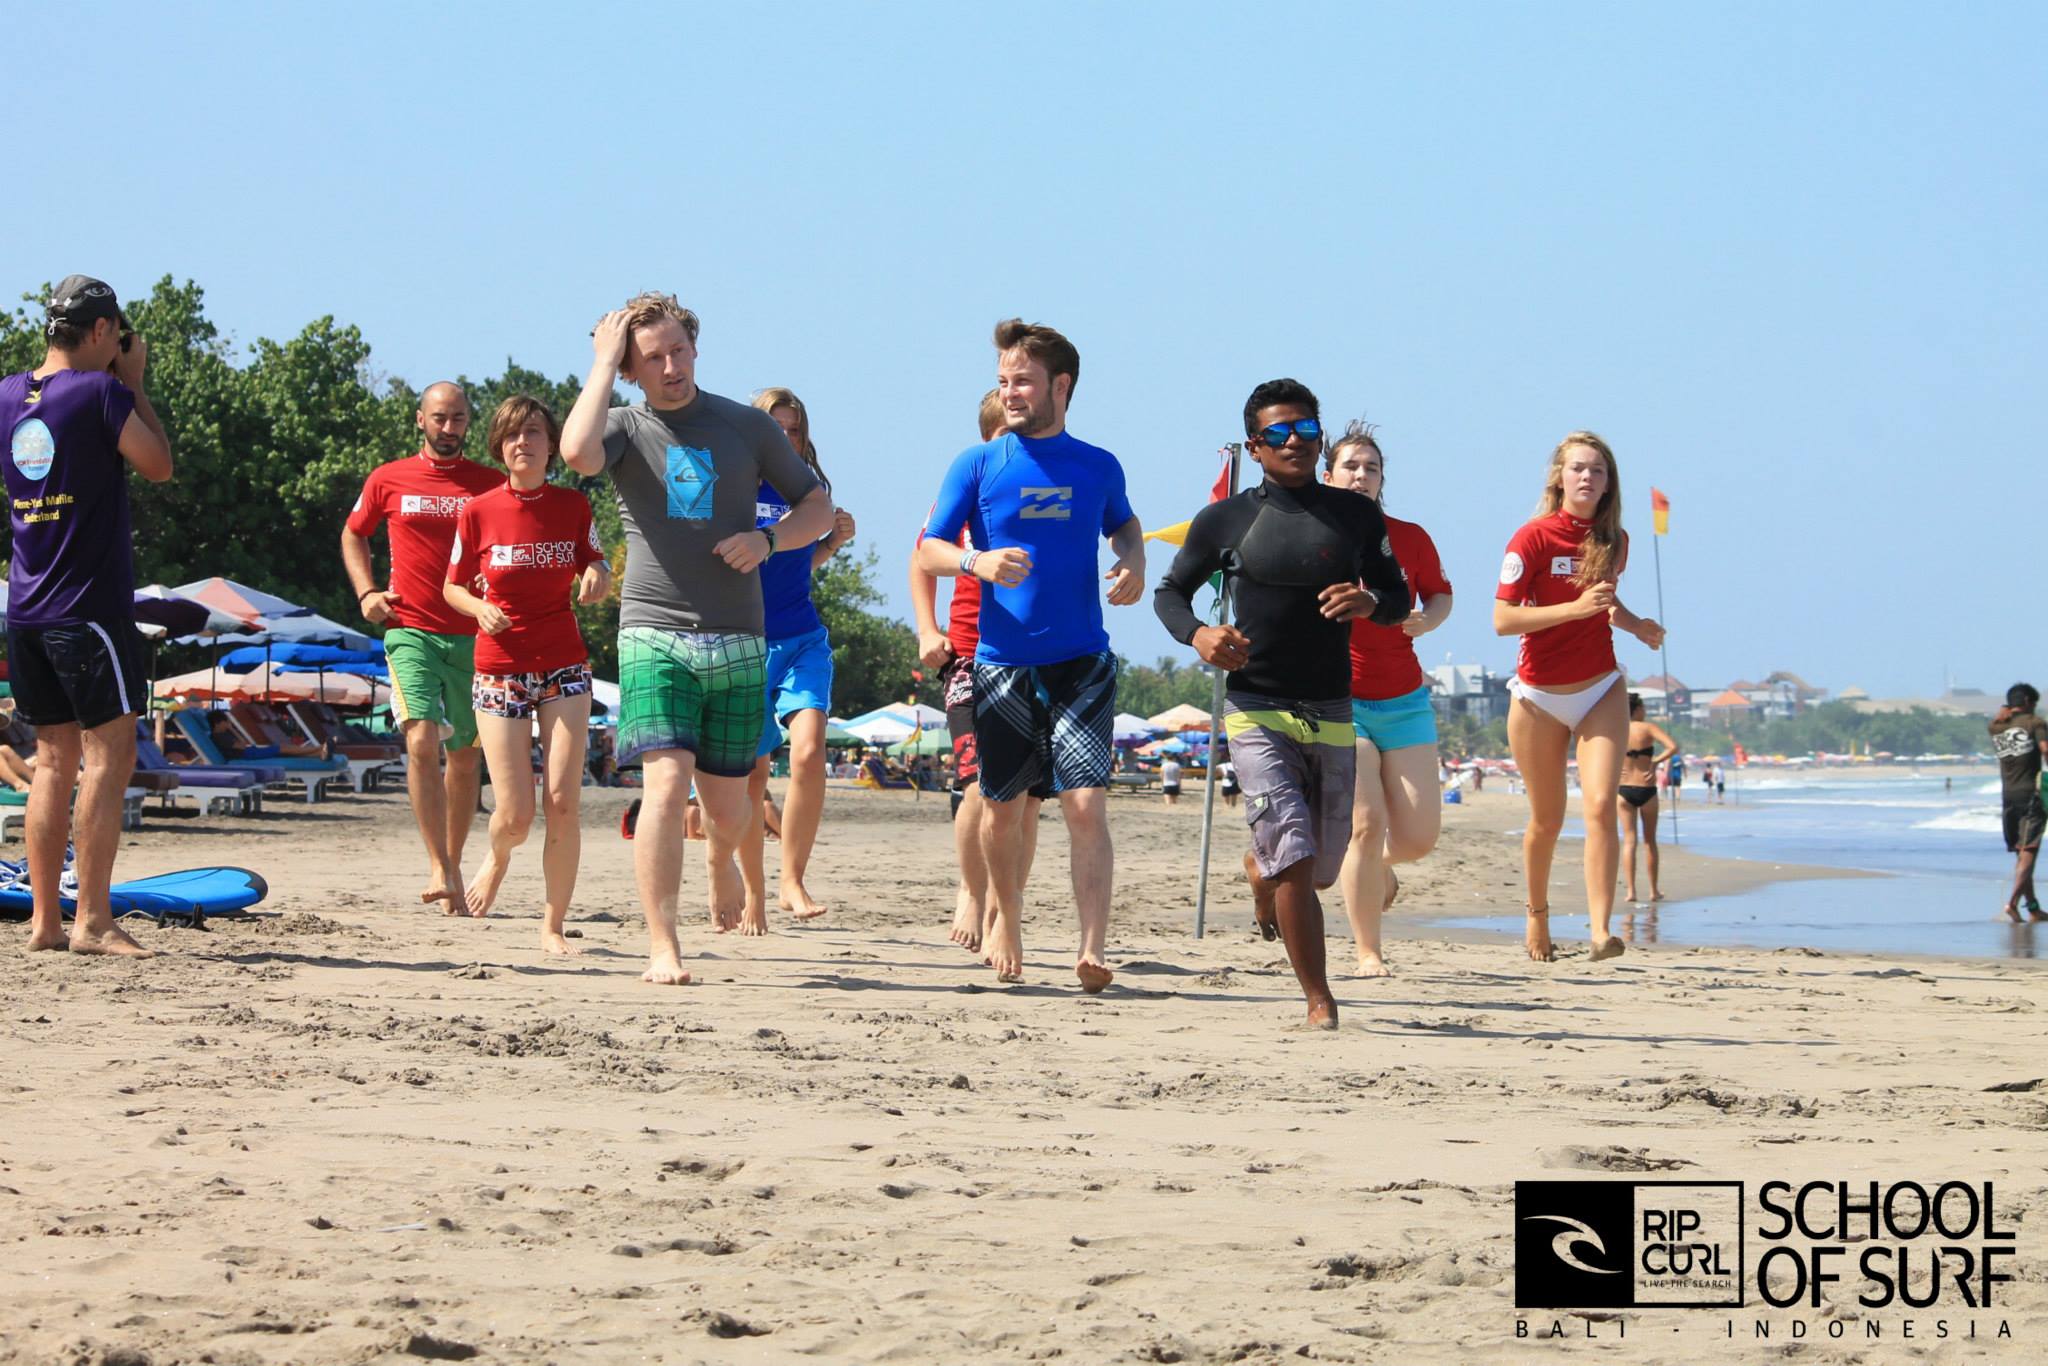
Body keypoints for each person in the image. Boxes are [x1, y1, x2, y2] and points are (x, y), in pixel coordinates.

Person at [561, 293, 833, 986]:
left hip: (739, 636)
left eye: (679, 350)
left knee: (729, 809)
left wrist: (767, 540)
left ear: (695, 348)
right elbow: (577, 453)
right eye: (652, 357)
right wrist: (602, 363)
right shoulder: (623, 425)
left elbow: (818, 505)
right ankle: (664, 946)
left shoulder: (747, 425)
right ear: (631, 368)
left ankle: (720, 859)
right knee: (664, 783)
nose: (671, 366)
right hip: (652, 631)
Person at [1155, 379, 1410, 1028]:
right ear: (1255, 446)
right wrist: (1200, 635)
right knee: (1295, 857)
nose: (1293, 440)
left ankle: (1259, 869)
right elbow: (1171, 593)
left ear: (1320, 438)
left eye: (1305, 429)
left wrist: (1370, 602)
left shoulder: (1355, 516)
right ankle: (1319, 998)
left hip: (1331, 706)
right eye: (1277, 432)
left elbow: (1398, 598)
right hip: (1255, 706)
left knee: (1319, 870)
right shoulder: (1225, 520)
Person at [914, 319, 1145, 989]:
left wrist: (1133, 559)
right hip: (1000, 662)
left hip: (1082, 660)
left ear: (1060, 385)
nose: (1009, 393)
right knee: (1003, 807)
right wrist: (976, 562)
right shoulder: (978, 462)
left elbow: (1124, 522)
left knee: (1084, 805)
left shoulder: (1097, 465)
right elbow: (929, 549)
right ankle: (1006, 918)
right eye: (1003, 382)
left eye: (1022, 381)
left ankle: (1092, 947)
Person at [3, 276, 172, 956]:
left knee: (51, 760)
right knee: (110, 755)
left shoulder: (7, 395)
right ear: (102, 331)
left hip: (25, 606)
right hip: (88, 608)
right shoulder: (101, 393)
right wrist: (134, 384)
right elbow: (158, 465)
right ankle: (93, 921)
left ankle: (45, 922)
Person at [441, 396, 611, 954]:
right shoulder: (478, 511)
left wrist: (598, 572)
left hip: (564, 665)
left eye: (534, 432)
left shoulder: (572, 505)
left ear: (550, 444)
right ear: (500, 445)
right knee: (515, 816)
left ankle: (552, 925)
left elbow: (595, 559)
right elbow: (452, 586)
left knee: (562, 801)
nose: (523, 442)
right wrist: (478, 609)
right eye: (513, 434)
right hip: (500, 668)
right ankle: (498, 856)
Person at [1494, 431, 1664, 963]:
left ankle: (1600, 931)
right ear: (1559, 478)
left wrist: (1637, 625)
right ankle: (1536, 914)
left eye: (1597, 470)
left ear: (1609, 483)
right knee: (1547, 820)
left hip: (1600, 688)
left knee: (1600, 806)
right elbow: (1503, 620)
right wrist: (1572, 610)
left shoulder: (1616, 541)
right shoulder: (1533, 538)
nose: (1587, 477)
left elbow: (1605, 604)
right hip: (1538, 696)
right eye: (1578, 468)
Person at [344, 380, 501, 912]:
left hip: (474, 634)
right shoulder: (388, 478)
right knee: (420, 740)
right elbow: (353, 532)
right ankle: (437, 864)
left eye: (458, 418)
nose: (449, 427)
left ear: (468, 422)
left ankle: (453, 866)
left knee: (466, 758)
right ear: (420, 419)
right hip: (409, 627)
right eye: (439, 418)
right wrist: (366, 592)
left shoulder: (491, 484)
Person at [711, 387, 856, 934]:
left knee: (810, 751)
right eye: (776, 427)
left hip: (802, 638)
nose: (787, 438)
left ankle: (791, 878)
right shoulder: (731, 485)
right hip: (742, 641)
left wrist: (832, 544)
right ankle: (752, 890)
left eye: (795, 430)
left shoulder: (809, 491)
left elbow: (797, 565)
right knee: (752, 776)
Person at [911, 389, 1044, 956]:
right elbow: (923, 558)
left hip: (1041, 660)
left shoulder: (1047, 490)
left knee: (1027, 801)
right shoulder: (965, 490)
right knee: (978, 788)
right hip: (970, 656)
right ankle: (971, 890)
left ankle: (1005, 908)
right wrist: (927, 629)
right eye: (1004, 440)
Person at [1322, 420, 1452, 978]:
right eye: (1350, 466)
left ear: (1382, 479)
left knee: (1418, 839)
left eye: (1371, 468)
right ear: (1329, 474)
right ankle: (1367, 952)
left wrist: (1428, 620)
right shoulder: (1313, 534)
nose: (1361, 475)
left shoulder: (1410, 537)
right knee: (1366, 823)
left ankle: (1372, 867)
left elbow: (1440, 594)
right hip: (1339, 701)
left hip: (1404, 699)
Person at [1988, 683, 2047, 922]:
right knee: (2029, 850)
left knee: (2021, 853)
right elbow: (2045, 749)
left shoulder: (1995, 726)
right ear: (2027, 702)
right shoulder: (2035, 723)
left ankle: (2032, 907)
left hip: (2008, 795)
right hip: (2032, 793)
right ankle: (2012, 903)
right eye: (2034, 703)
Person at [1618, 692, 1677, 905]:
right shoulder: (1648, 728)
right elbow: (1673, 746)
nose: (1645, 711)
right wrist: (1654, 762)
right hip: (1646, 788)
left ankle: (1631, 891)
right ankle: (1653, 890)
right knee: (1649, 841)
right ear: (1637, 709)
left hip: (1624, 789)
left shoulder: (1618, 728)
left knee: (1629, 840)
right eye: (1643, 707)